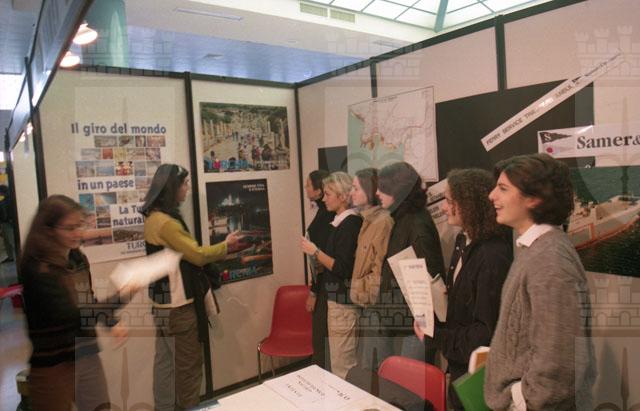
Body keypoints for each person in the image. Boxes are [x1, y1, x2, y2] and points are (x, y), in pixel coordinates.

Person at [484, 154, 596, 410]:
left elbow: (560, 359)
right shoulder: (535, 249)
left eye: (503, 189)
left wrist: (522, 399)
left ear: (534, 198)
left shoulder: (550, 260)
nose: (492, 196)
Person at [140, 164, 242, 411]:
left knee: (164, 365)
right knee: (188, 369)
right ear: (172, 188)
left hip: (161, 306)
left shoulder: (152, 218)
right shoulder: (167, 223)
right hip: (179, 308)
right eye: (184, 184)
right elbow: (196, 255)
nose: (187, 188)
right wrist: (226, 246)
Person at [413, 168, 512, 410]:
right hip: (459, 366)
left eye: (450, 201)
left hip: (478, 377)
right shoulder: (463, 240)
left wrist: (437, 336)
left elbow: (484, 333)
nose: (444, 208)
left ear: (470, 204)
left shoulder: (492, 256)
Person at [21, 195, 128, 411]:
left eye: (80, 225)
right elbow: (71, 314)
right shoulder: (37, 268)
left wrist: (111, 322)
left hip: (86, 352)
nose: (78, 233)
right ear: (49, 230)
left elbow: (87, 300)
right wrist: (121, 297)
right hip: (54, 363)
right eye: (70, 228)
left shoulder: (77, 259)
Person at [363, 161, 445, 369]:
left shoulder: (417, 224)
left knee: (410, 384)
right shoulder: (402, 218)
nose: (377, 193)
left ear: (398, 190)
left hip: (413, 326)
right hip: (397, 319)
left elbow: (429, 281)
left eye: (383, 187)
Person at [301, 172, 362, 379]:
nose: (324, 199)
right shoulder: (340, 222)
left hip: (343, 302)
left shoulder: (350, 224)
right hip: (335, 299)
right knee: (336, 363)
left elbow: (342, 267)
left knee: (341, 367)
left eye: (328, 194)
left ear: (342, 196)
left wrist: (315, 252)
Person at [303, 169, 335, 370]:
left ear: (319, 189)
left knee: (321, 342)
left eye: (308, 184)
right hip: (323, 285)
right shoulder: (324, 213)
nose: (305, 188)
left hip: (325, 287)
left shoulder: (328, 217)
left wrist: (314, 292)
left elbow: (322, 259)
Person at [0, 185, 15, 263]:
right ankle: (11, 257)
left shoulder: (3, 201)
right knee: (9, 241)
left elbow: (3, 214)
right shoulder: (13, 199)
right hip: (10, 222)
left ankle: (11, 257)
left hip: (6, 223)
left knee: (10, 241)